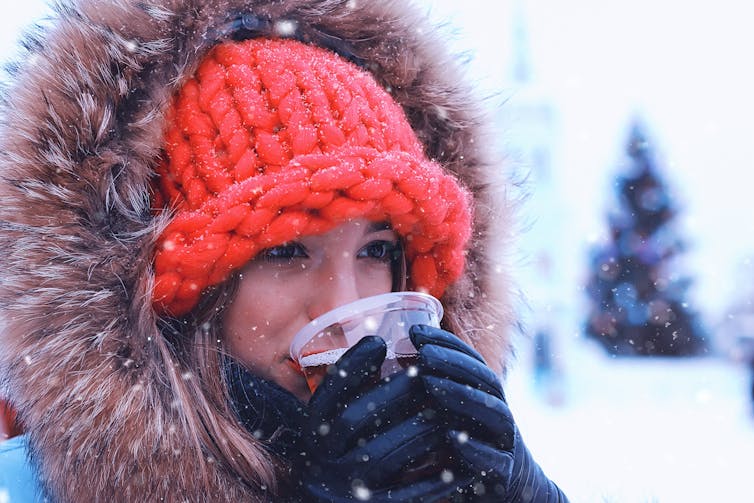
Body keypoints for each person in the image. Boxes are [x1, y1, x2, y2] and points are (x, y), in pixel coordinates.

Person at [0, 0, 569, 501]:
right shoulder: (24, 486)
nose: (345, 309)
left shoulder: (438, 468)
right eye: (285, 251)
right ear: (183, 297)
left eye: (376, 251)